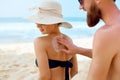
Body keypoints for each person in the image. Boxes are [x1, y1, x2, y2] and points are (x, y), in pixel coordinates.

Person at [57, 0, 120, 80]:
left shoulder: (107, 33)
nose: (80, 7)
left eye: (81, 1)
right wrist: (78, 50)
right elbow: (112, 55)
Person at [26, 0, 78, 80]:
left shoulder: (40, 42)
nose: (38, 26)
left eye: (43, 22)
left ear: (55, 22)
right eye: (38, 21)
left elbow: (45, 76)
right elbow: (75, 71)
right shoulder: (68, 39)